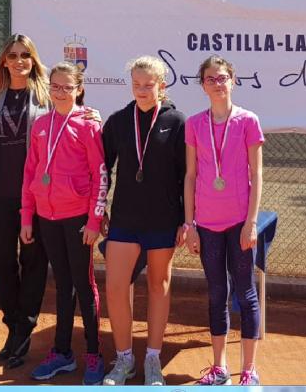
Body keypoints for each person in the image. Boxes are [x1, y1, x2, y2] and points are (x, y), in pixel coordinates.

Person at [101, 56, 186, 386]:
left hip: (163, 220)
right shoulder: (119, 121)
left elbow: (187, 176)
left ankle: (152, 358)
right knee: (117, 286)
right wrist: (100, 210)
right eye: (136, 85)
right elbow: (101, 168)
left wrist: (184, 220)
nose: (141, 90)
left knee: (157, 285)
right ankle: (124, 359)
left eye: (148, 85)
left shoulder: (177, 121)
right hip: (124, 218)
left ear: (161, 85)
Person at [20, 61, 106, 386]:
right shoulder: (41, 125)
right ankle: (63, 352)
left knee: (84, 286)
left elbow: (101, 174)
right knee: (63, 284)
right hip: (47, 217)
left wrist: (95, 220)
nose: (60, 92)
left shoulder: (88, 125)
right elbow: (31, 173)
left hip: (78, 219)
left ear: (78, 89)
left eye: (67, 87)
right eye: (55, 86)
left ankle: (95, 354)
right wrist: (27, 216)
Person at [184, 56, 264, 386]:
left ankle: (248, 370)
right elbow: (190, 176)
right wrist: (189, 224)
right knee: (217, 294)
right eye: (211, 79)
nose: (217, 84)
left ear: (233, 81)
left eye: (222, 78)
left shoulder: (248, 120)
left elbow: (257, 174)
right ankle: (219, 368)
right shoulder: (194, 124)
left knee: (245, 294)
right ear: (203, 85)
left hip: (238, 224)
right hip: (207, 226)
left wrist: (252, 222)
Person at [0, 34, 52, 369]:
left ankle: (24, 329)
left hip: (35, 197)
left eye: (26, 55)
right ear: (4, 61)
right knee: (0, 260)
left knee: (34, 262)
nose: (19, 60)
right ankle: (12, 321)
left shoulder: (46, 96)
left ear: (33, 60)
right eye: (13, 55)